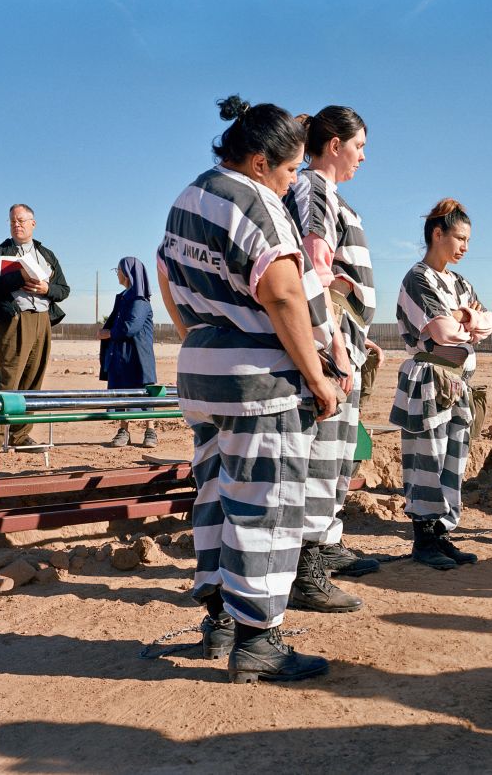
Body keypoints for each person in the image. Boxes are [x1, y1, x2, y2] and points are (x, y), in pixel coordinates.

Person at [156, 94, 342, 683]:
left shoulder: (189, 198)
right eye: (289, 171)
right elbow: (284, 293)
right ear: (260, 161)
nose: (292, 184)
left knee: (214, 498)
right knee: (267, 506)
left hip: (206, 374)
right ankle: (260, 639)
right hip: (262, 386)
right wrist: (317, 375)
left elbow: (166, 274)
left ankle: (221, 622)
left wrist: (205, 337)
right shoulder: (254, 200)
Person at [283, 105, 381, 608]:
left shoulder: (333, 196)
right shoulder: (312, 189)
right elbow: (315, 270)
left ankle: (326, 543)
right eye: (359, 146)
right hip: (330, 338)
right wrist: (335, 340)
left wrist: (358, 328)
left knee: (339, 453)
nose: (364, 156)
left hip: (346, 333)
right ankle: (305, 567)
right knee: (321, 454)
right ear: (335, 144)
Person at [390, 199, 492, 570]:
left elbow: (490, 322)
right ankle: (424, 539)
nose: (465, 246)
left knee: (452, 461)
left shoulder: (459, 281)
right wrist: (466, 320)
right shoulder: (418, 278)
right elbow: (444, 332)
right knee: (426, 460)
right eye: (460, 238)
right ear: (438, 235)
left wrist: (466, 317)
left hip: (457, 383)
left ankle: (442, 535)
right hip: (429, 380)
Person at [0, 204, 70, 455]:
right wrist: (19, 275)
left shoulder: (47, 255)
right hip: (14, 320)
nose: (16, 225)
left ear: (33, 223)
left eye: (20, 220)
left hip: (41, 319)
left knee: (33, 379)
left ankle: (20, 434)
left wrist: (45, 290)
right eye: (12, 222)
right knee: (8, 378)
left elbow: (63, 289)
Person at [98, 257, 158, 448]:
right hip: (121, 355)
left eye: (118, 269)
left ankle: (151, 431)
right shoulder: (124, 296)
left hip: (139, 356)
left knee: (144, 393)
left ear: (128, 273)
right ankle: (124, 430)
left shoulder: (139, 301)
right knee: (123, 393)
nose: (117, 272)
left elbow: (131, 327)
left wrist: (108, 334)